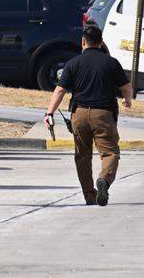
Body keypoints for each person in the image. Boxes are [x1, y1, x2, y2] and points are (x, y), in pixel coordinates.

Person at [44, 25, 131, 206]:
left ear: (83, 42)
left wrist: (49, 112)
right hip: (104, 114)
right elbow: (126, 87)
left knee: (82, 156)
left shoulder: (73, 63)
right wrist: (127, 100)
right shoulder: (111, 62)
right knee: (110, 152)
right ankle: (104, 180)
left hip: (79, 114)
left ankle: (89, 196)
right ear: (101, 42)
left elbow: (60, 90)